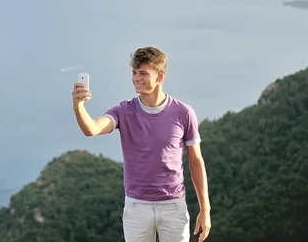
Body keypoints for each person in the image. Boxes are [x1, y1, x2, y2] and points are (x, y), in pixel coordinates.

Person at [71, 46, 211, 242]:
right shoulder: (123, 111)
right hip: (136, 207)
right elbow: (92, 129)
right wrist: (78, 106)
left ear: (161, 76)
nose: (136, 78)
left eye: (143, 73)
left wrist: (205, 209)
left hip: (173, 206)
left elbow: (196, 162)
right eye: (134, 72)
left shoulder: (184, 113)